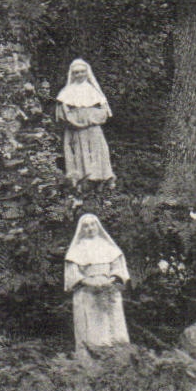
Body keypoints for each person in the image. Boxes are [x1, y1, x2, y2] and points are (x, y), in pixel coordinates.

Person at [64, 213, 130, 364]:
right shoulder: (77, 249)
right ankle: (92, 363)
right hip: (87, 292)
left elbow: (119, 268)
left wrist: (111, 280)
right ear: (81, 229)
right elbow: (72, 273)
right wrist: (88, 282)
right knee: (91, 327)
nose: (89, 228)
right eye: (85, 226)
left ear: (98, 226)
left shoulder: (108, 247)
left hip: (109, 289)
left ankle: (117, 362)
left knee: (113, 324)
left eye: (92, 224)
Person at [55, 58, 115, 188]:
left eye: (82, 72)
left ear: (87, 73)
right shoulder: (67, 92)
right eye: (76, 72)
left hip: (93, 129)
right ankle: (80, 182)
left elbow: (103, 111)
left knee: (96, 150)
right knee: (78, 152)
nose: (80, 75)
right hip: (75, 129)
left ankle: (98, 179)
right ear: (72, 74)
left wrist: (90, 117)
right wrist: (76, 119)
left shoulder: (93, 91)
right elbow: (62, 113)